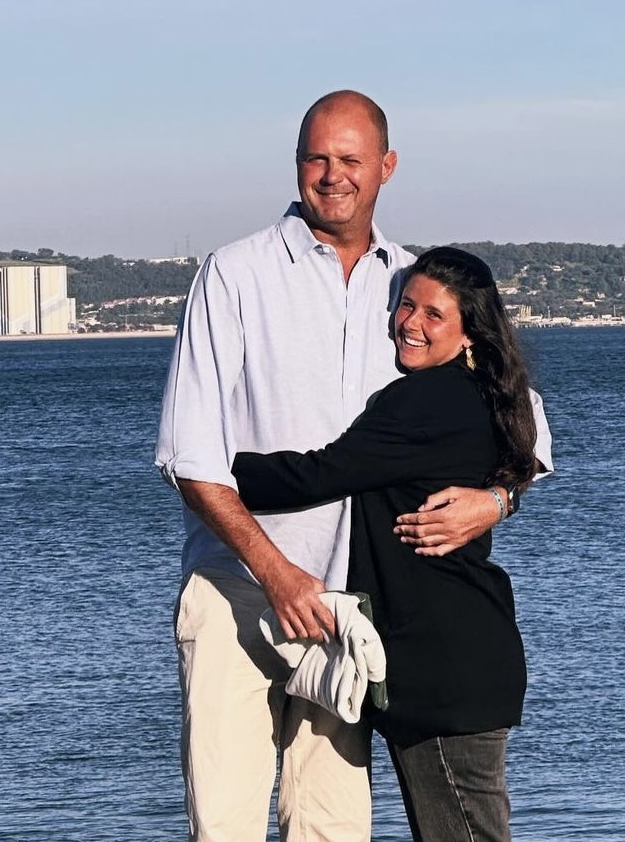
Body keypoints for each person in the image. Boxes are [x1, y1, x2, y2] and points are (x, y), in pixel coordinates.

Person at [154, 91, 550, 842]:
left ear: (386, 167)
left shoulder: (411, 286)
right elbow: (187, 453)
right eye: (317, 158)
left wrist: (497, 499)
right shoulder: (234, 274)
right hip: (239, 592)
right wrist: (277, 573)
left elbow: (520, 412)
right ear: (296, 164)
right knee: (224, 827)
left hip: (348, 617)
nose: (333, 175)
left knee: (333, 830)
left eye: (351, 159)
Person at [231, 247, 538, 842]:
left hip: (442, 666)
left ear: (470, 333)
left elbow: (317, 474)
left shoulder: (426, 400)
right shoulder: (487, 395)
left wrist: (208, 469)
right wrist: (504, 498)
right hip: (465, 656)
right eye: (406, 306)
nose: (410, 323)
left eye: (433, 315)